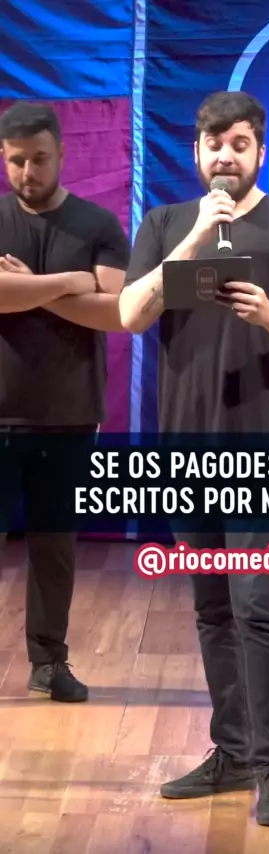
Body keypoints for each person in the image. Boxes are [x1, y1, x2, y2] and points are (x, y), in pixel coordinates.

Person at [119, 90, 269, 826]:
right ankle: (233, 751)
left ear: (260, 151)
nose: (225, 156)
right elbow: (129, 314)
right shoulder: (165, 224)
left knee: (257, 606)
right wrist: (191, 242)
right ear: (197, 151)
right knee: (212, 608)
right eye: (214, 144)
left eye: (239, 144)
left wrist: (266, 311)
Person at [0, 101, 130, 702]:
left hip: (70, 415)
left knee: (54, 548)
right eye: (17, 160)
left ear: (62, 154)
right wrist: (72, 283)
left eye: (40, 159)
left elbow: (116, 311)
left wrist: (27, 288)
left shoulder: (96, 224)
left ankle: (49, 662)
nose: (28, 172)